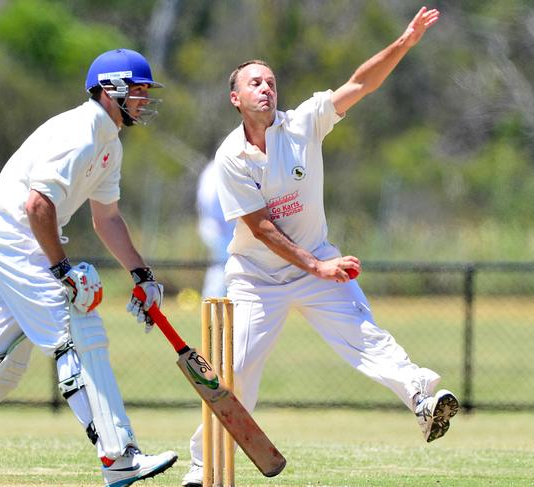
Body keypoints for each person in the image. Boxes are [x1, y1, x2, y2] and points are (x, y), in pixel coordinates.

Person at [182, 7, 458, 486]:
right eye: (255, 83)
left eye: (270, 81)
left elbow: (359, 84)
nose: (266, 88)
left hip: (318, 266)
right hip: (256, 278)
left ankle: (422, 397)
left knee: (364, 336)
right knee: (236, 372)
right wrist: (318, 265)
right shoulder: (231, 157)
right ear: (235, 97)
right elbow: (262, 226)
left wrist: (404, 44)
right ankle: (203, 468)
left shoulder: (305, 122)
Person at [0, 48, 178, 487]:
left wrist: (142, 275)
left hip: (11, 237)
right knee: (77, 332)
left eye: (146, 90)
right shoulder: (81, 131)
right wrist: (63, 269)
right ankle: (119, 455)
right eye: (139, 89)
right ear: (112, 91)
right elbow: (37, 204)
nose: (145, 98)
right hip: (16, 236)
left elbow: (106, 218)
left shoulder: (109, 143)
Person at [196, 159, 236, 298]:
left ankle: (213, 306)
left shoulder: (212, 168)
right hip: (220, 229)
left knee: (220, 269)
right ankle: (214, 309)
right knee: (223, 270)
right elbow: (210, 200)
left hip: (217, 227)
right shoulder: (218, 169)